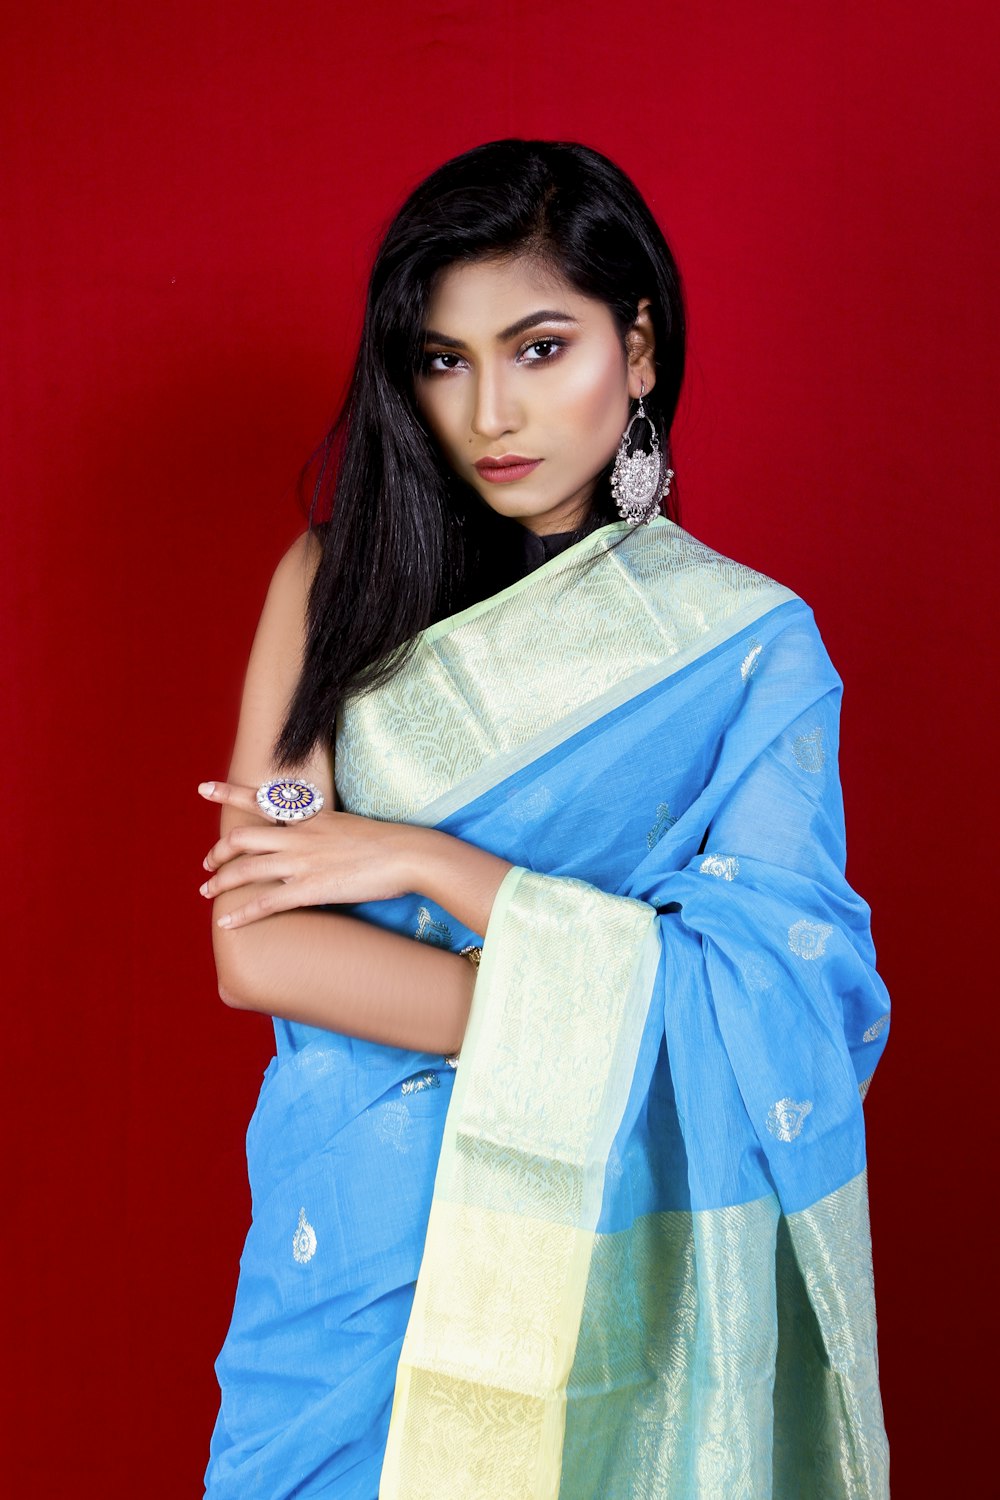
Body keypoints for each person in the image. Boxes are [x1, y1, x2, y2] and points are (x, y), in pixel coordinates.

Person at [198, 139, 891, 1499]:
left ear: (636, 352)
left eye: (540, 346)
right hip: (353, 1244)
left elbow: (785, 1001)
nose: (490, 411)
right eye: (444, 359)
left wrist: (426, 865)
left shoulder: (746, 653)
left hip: (593, 1257)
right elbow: (261, 951)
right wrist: (564, 992)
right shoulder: (331, 587)